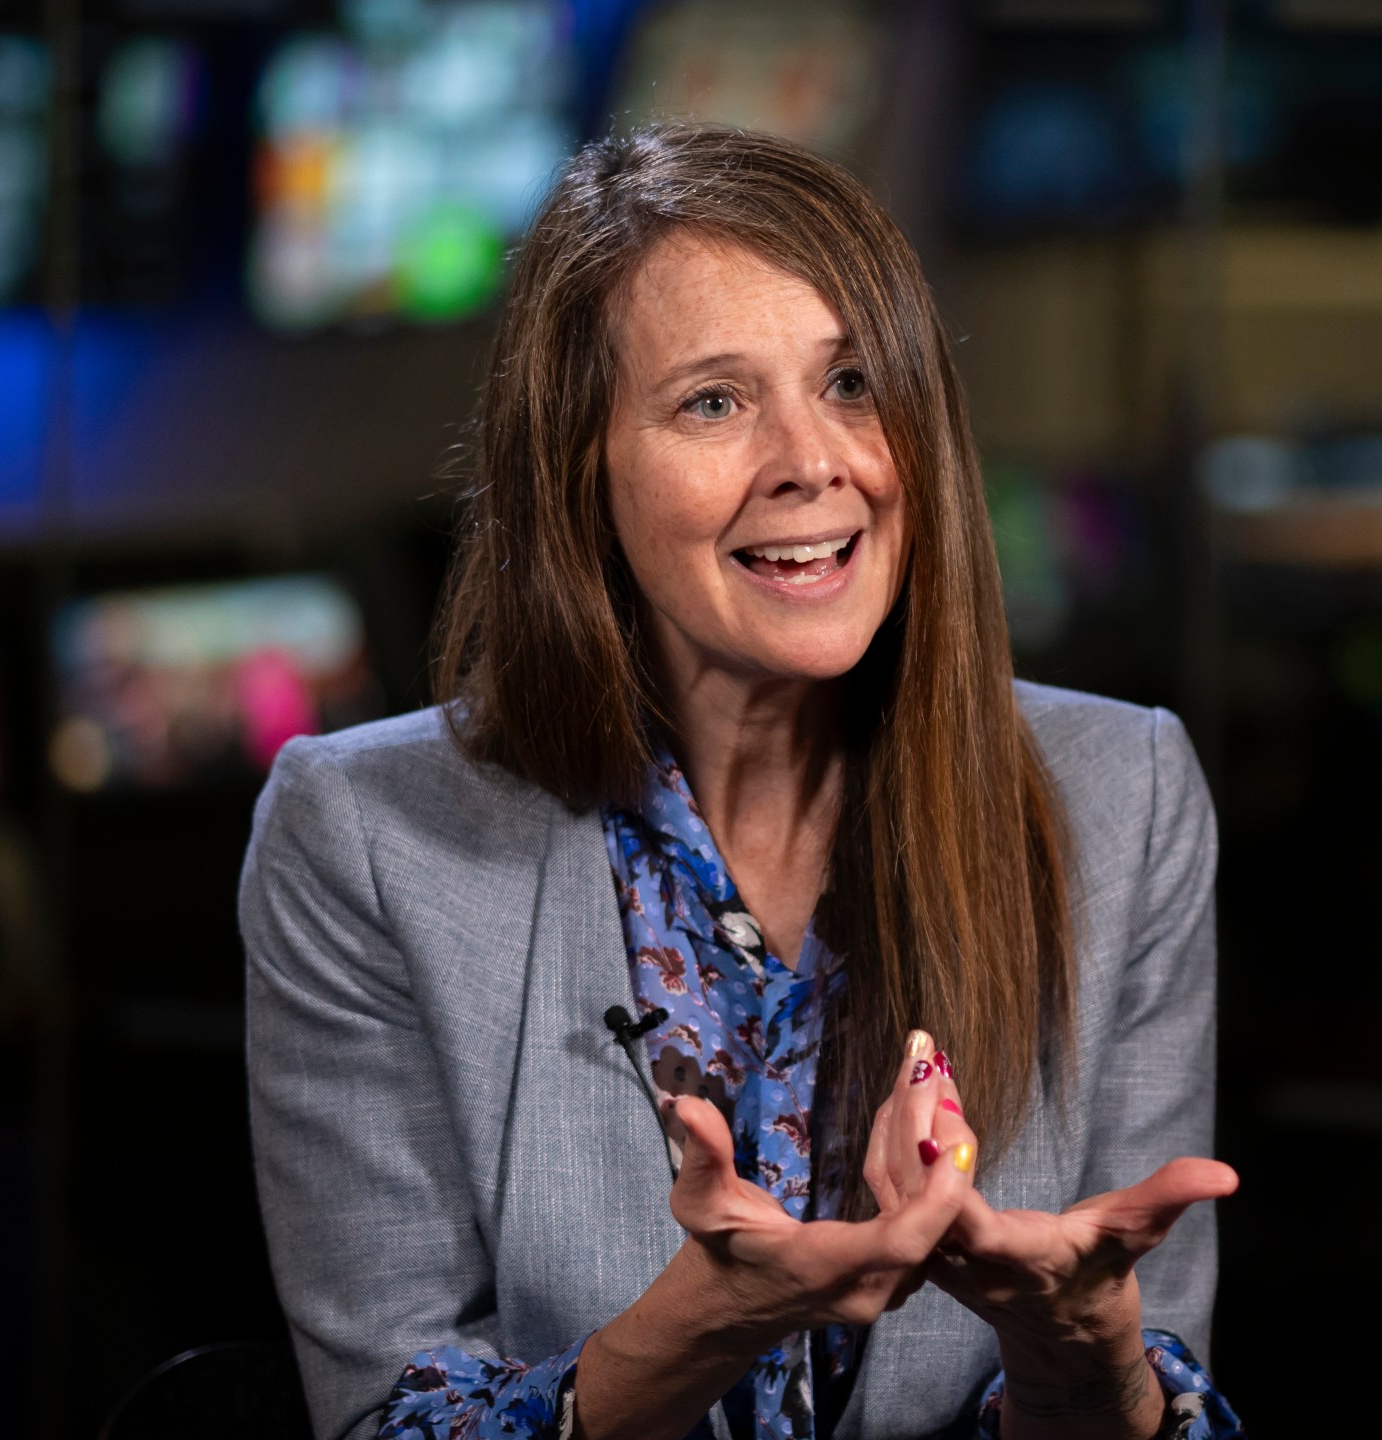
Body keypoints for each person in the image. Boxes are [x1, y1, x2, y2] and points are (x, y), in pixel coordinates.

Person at [240, 124, 1241, 1440]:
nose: (811, 460)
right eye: (715, 401)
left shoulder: (1131, 801)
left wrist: (1085, 1360)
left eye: (851, 383)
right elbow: (381, 1422)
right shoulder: (364, 840)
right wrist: (695, 1330)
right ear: (577, 471)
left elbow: (1155, 1388)